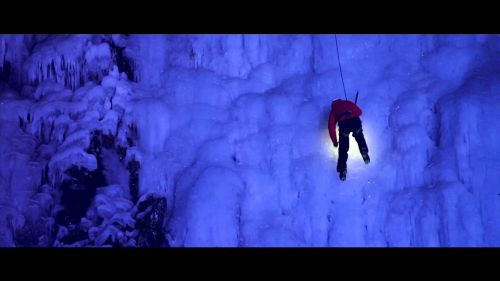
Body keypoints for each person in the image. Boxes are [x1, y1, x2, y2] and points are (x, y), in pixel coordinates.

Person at [328, 99, 370, 181]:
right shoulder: (349, 102)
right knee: (359, 137)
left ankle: (342, 169)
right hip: (355, 121)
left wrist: (335, 142)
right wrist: (352, 113)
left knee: (343, 148)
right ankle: (364, 151)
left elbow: (331, 127)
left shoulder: (334, 110)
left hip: (344, 124)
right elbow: (360, 112)